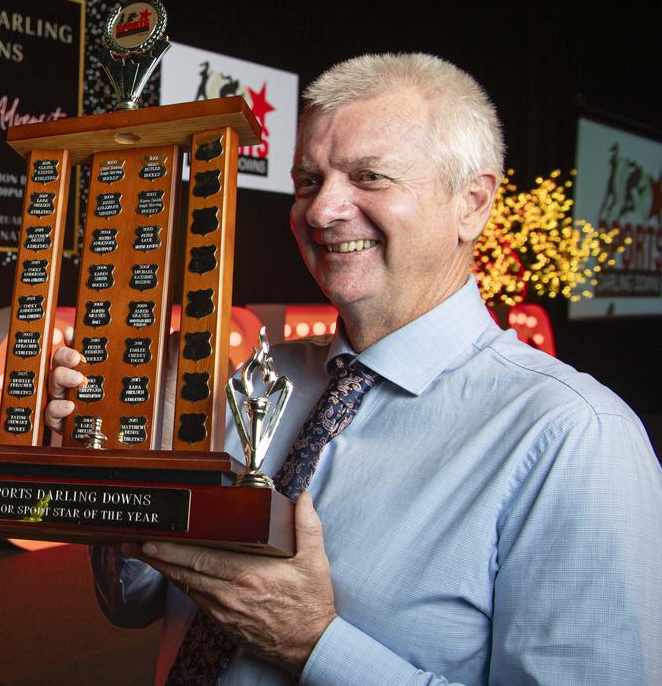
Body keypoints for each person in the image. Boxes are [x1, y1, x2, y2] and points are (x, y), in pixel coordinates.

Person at [46, 54, 662, 684]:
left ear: (472, 203)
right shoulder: (252, 381)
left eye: (369, 176)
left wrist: (314, 644)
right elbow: (133, 603)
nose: (321, 211)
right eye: (308, 181)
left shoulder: (575, 438)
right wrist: (130, 468)